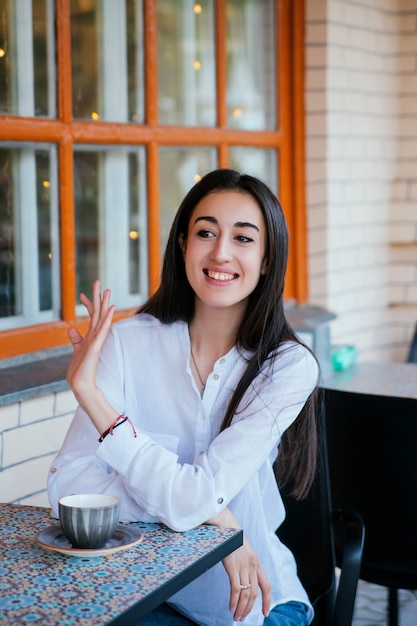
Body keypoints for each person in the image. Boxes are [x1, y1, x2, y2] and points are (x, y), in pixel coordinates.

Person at [48, 168, 320, 626]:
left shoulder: (286, 366)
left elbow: (190, 500)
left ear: (269, 259)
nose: (220, 252)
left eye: (244, 238)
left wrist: (91, 395)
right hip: (145, 594)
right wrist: (222, 522)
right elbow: (68, 492)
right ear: (182, 244)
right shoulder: (127, 343)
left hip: (252, 608)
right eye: (206, 232)